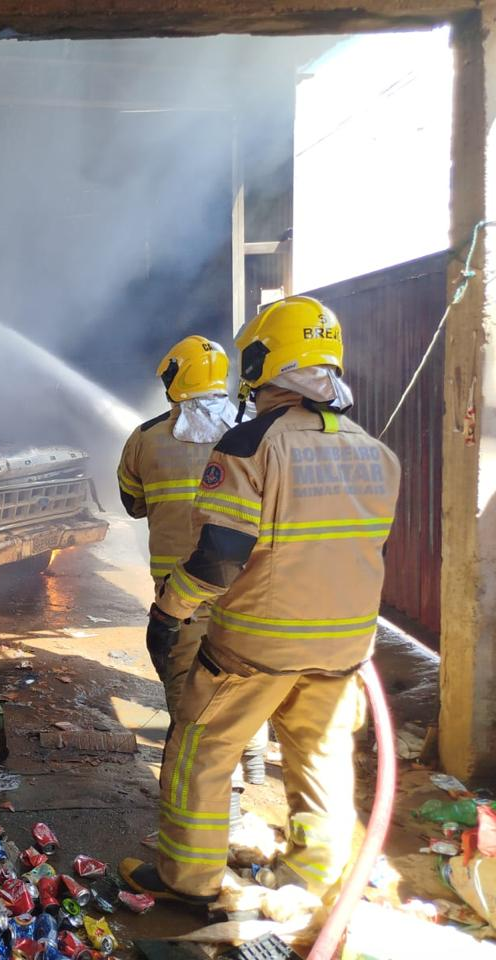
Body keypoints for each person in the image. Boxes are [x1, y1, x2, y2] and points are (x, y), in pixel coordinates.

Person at [120, 296, 401, 907]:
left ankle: (189, 880)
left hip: (259, 643)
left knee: (201, 744)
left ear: (261, 362)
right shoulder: (374, 452)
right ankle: (313, 877)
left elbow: (221, 553)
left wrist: (170, 610)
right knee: (319, 758)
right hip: (345, 646)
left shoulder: (252, 443)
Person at [117, 337, 268, 802]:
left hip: (179, 597)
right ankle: (256, 756)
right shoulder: (261, 431)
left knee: (190, 703)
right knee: (248, 679)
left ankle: (225, 814)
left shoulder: (146, 438)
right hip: (251, 590)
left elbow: (132, 503)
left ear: (174, 378)